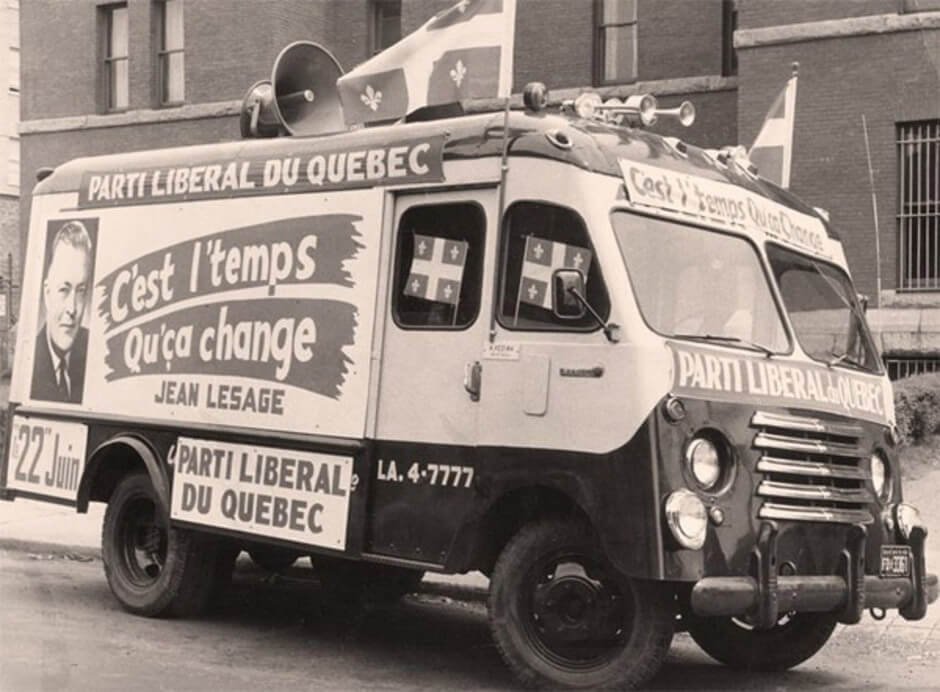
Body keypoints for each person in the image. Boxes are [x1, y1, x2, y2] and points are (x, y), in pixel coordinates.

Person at [31, 221, 93, 404]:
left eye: (80, 291)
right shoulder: (30, 364)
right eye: (64, 290)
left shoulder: (94, 353)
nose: (72, 309)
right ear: (47, 294)